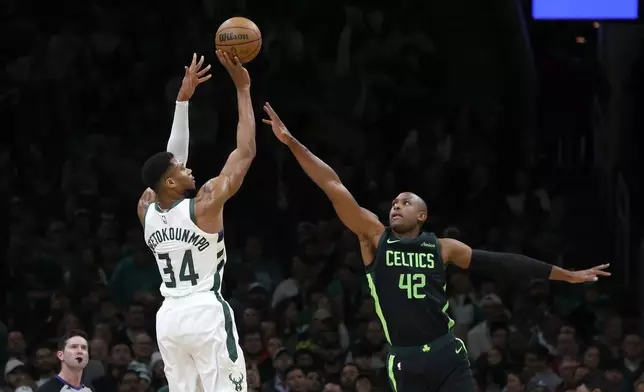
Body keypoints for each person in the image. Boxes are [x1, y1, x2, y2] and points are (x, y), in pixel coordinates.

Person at [261, 103, 611, 392]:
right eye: (395, 201)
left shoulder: (443, 248)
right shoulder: (374, 237)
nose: (396, 205)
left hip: (447, 354)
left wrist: (565, 275)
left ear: (422, 215)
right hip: (406, 358)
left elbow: (505, 263)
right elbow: (332, 184)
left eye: (406, 202)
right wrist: (292, 143)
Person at [138, 50, 255, 392]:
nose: (188, 167)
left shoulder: (146, 209)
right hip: (204, 310)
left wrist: (182, 102)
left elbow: (166, 167)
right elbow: (245, 152)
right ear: (171, 182)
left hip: (169, 319)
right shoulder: (204, 204)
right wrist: (243, 89)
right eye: (181, 170)